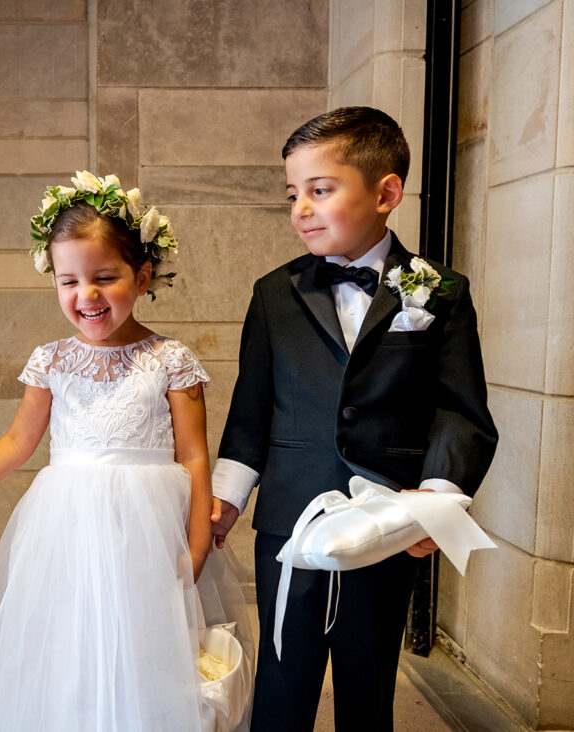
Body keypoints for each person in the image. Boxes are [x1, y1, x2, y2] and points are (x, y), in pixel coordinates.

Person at [0, 172, 251, 731]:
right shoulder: (50, 360)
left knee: (144, 639)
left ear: (142, 277)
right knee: (69, 637)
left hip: (150, 528)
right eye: (68, 280)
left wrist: (194, 549)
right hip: (65, 527)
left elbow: (193, 458)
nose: (85, 296)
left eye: (104, 277)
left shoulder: (171, 359)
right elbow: (18, 443)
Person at [210, 106, 498, 731]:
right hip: (289, 521)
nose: (301, 209)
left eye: (320, 190)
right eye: (293, 194)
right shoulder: (273, 293)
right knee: (284, 678)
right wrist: (225, 500)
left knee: (369, 682)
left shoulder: (439, 292)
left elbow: (460, 410)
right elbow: (251, 407)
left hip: (388, 520)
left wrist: (436, 503)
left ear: (386, 192)